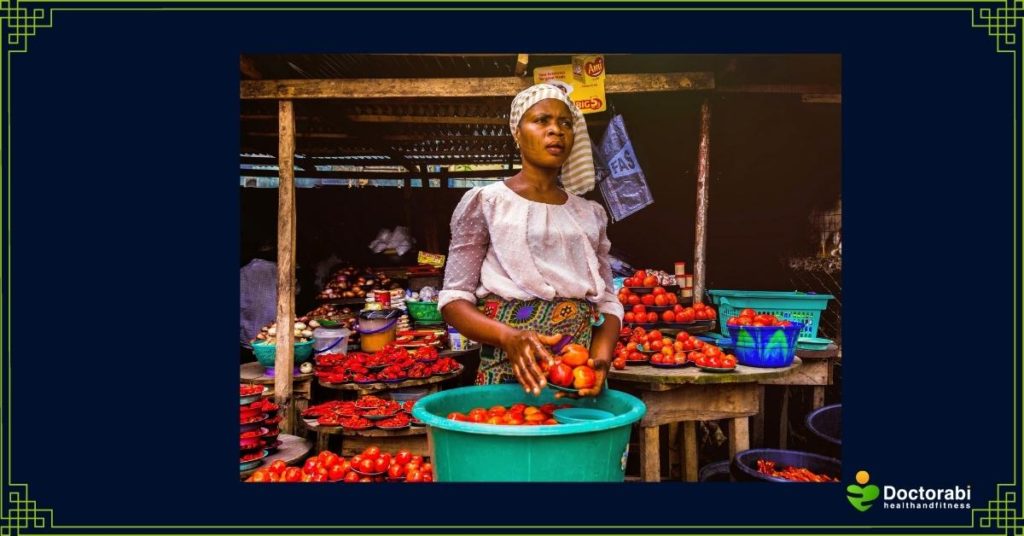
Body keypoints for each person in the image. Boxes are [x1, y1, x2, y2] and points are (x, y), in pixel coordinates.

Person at [438, 84, 624, 397]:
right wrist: (509, 337)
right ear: (517, 132)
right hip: (508, 369)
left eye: (565, 123)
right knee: (509, 438)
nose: (556, 131)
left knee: (577, 444)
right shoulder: (485, 202)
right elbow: (454, 300)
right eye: (542, 121)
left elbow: (607, 301)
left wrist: (600, 361)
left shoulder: (589, 214)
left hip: (576, 376)